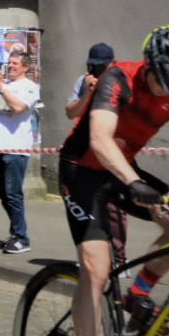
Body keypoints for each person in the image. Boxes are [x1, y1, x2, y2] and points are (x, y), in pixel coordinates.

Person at [59, 25, 169, 336]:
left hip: (123, 170)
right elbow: (99, 139)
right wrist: (134, 181)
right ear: (151, 66)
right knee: (96, 270)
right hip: (80, 170)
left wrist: (132, 178)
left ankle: (137, 294)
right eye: (167, 81)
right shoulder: (118, 79)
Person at [64, 42, 129, 271]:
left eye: (100, 66)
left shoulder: (121, 81)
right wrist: (88, 94)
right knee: (87, 207)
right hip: (85, 152)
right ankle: (91, 258)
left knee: (114, 209)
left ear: (112, 63)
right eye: (93, 66)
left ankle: (120, 260)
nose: (96, 70)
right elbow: (70, 112)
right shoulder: (83, 81)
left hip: (112, 149)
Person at [0, 50, 40, 254]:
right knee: (4, 195)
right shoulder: (4, 86)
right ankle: (15, 234)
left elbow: (18, 107)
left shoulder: (30, 87)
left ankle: (22, 238)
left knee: (13, 194)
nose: (10, 66)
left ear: (25, 67)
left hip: (17, 148)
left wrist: (1, 87)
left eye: (14, 63)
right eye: (9, 63)